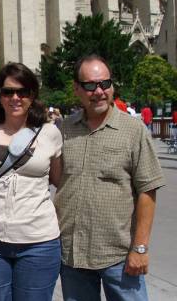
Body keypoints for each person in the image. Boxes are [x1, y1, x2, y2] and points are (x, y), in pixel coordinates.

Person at [54, 54, 165, 301]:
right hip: (74, 255)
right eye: (91, 85)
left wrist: (140, 248)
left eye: (105, 83)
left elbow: (148, 189)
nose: (99, 91)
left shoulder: (133, 130)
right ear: (77, 89)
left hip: (120, 255)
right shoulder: (64, 129)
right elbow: (54, 178)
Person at [0, 62, 63, 300]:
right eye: (8, 92)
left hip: (39, 242)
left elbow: (60, 181)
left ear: (32, 95)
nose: (15, 98)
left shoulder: (50, 133)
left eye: (22, 92)